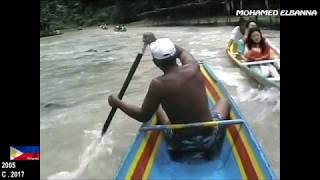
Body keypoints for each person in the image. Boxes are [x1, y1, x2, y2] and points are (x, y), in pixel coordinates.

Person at [108, 33, 230, 160]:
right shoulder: (194, 67)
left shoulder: (157, 84)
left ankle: (168, 125)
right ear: (174, 55)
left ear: (155, 62)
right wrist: (155, 41)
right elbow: (181, 51)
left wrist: (118, 103)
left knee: (157, 107)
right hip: (209, 139)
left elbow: (143, 116)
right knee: (224, 101)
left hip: (180, 144)